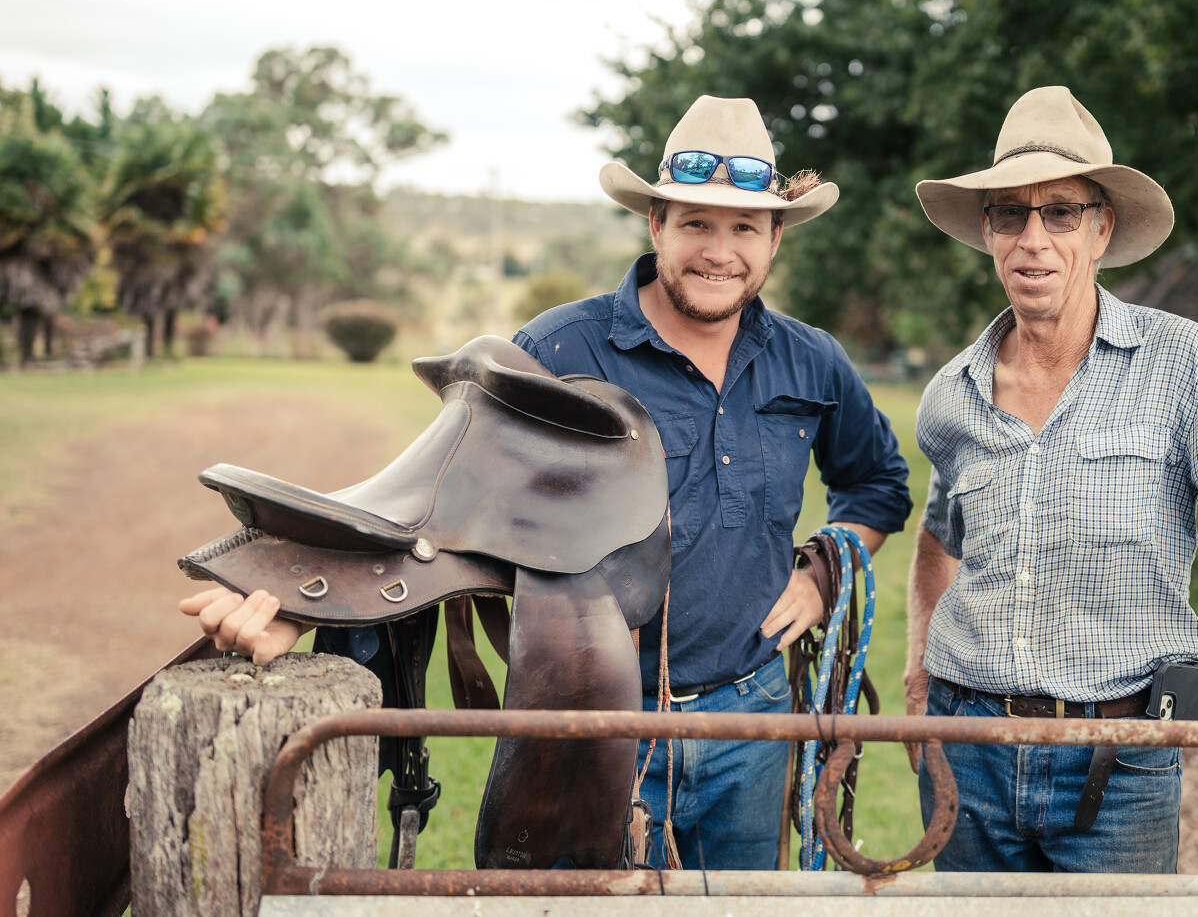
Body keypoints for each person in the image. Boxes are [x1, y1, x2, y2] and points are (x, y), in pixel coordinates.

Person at [183, 94, 913, 872]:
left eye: (744, 228)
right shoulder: (558, 350)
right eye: (696, 222)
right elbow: (434, 506)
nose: (718, 250)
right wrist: (294, 600)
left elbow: (878, 483)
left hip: (753, 712)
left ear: (774, 239)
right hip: (597, 719)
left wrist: (823, 570)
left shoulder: (812, 361)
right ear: (656, 224)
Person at [901, 86, 1198, 874]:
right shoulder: (952, 392)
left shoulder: (1187, 366)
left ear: (1101, 228)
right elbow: (936, 538)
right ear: (986, 229)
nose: (1032, 239)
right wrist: (919, 671)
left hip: (1120, 757)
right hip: (967, 748)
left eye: (1060, 212)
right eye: (1010, 214)